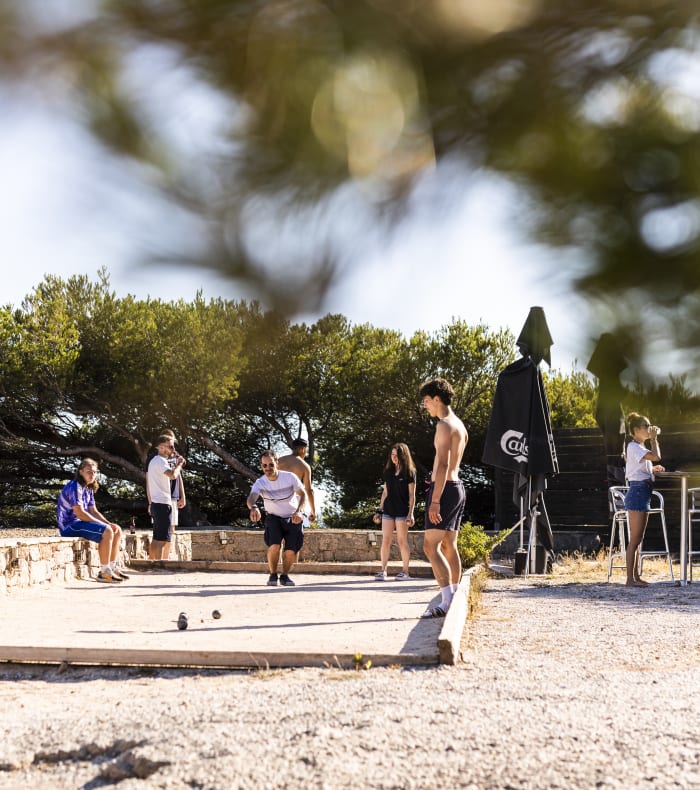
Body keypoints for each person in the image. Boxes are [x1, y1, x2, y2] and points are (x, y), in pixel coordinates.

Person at [419, 378, 468, 617]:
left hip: (445, 488)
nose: (425, 406)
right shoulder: (460, 426)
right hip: (457, 487)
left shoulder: (444, 425)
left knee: (430, 546)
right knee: (450, 545)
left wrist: (435, 499)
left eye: (426, 401)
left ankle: (446, 602)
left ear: (437, 399)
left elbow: (443, 465)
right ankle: (456, 597)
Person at [56, 458, 129, 583]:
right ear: (80, 472)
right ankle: (104, 572)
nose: (92, 474)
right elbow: (80, 513)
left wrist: (108, 523)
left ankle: (112, 567)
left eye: (94, 472)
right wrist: (103, 526)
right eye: (88, 471)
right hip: (69, 526)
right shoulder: (75, 487)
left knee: (116, 529)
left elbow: (93, 511)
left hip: (80, 523)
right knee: (107, 531)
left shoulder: (88, 489)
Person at [247, 450, 307, 587]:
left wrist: (299, 511)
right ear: (261, 466)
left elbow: (303, 495)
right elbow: (251, 498)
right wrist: (254, 507)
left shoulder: (290, 477)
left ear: (277, 463)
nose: (268, 468)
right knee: (274, 546)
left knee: (291, 550)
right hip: (273, 517)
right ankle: (273, 574)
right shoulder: (260, 482)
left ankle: (285, 576)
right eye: (264, 466)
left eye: (271, 465)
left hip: (293, 517)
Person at [623, 412, 664, 587]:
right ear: (635, 430)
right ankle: (630, 579)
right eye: (646, 427)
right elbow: (656, 456)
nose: (649, 430)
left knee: (639, 538)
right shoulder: (634, 446)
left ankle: (636, 577)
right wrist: (654, 440)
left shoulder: (639, 448)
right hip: (638, 492)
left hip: (643, 491)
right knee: (635, 539)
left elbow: (643, 466)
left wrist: (652, 469)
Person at [372, 443, 417, 580]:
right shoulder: (388, 472)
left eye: (396, 455)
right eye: (392, 455)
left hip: (402, 511)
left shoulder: (410, 472)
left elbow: (412, 495)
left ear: (403, 456)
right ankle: (383, 571)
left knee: (402, 541)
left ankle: (405, 572)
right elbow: (385, 492)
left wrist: (411, 513)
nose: (394, 458)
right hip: (388, 510)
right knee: (385, 540)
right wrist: (379, 510)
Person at [145, 429, 186, 560]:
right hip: (162, 503)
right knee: (162, 539)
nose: (173, 449)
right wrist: (179, 465)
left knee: (157, 537)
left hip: (158, 503)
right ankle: (158, 565)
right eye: (170, 446)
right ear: (161, 447)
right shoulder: (160, 461)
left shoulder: (155, 461)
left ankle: (152, 564)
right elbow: (173, 475)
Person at [277, 438, 316, 523]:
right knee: (295, 533)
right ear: (303, 449)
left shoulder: (278, 461)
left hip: (276, 503)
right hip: (294, 505)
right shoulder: (304, 466)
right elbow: (309, 490)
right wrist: (313, 511)